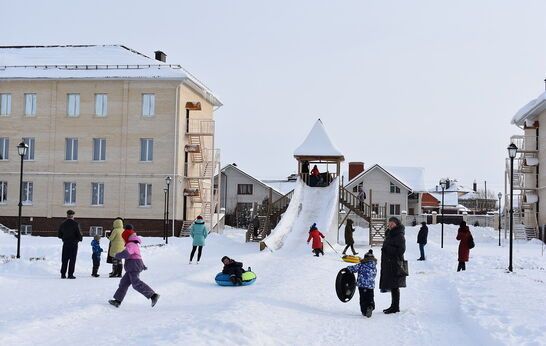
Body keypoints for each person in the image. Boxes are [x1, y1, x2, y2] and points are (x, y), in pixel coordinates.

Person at [108, 225, 160, 308]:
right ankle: (117, 301)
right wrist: (142, 265)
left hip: (133, 266)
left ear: (126, 237)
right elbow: (136, 255)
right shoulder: (133, 244)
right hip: (133, 266)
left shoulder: (131, 244)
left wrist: (117, 255)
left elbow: (127, 254)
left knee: (136, 283)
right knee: (123, 283)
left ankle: (153, 295)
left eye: (123, 238)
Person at [379, 217, 406, 314]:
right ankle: (393, 306)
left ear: (397, 224)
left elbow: (401, 250)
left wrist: (387, 248)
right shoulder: (390, 234)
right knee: (392, 285)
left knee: (395, 286)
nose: (390, 225)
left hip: (395, 263)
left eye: (392, 224)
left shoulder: (399, 235)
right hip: (389, 263)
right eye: (389, 223)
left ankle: (395, 307)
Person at [347, 249, 377, 318]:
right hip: (370, 286)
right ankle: (370, 306)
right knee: (370, 297)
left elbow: (353, 268)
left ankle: (364, 311)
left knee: (363, 299)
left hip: (362, 285)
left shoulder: (361, 265)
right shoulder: (374, 266)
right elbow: (374, 275)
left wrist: (347, 268)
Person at [57, 209, 83, 279]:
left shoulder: (62, 224)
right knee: (72, 259)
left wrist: (64, 238)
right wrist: (78, 239)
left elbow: (59, 235)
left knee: (64, 259)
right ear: (73, 216)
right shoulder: (76, 224)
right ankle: (70, 274)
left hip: (65, 244)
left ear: (67, 216)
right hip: (74, 244)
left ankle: (63, 274)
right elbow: (79, 235)